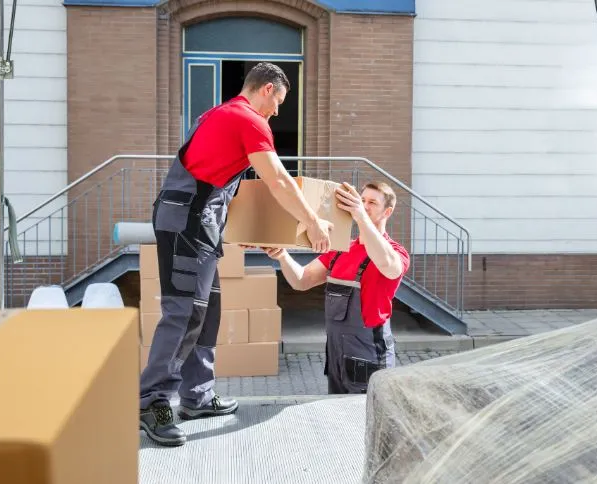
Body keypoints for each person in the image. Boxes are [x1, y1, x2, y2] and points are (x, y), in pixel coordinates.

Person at [139, 62, 333, 447]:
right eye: (278, 100)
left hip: (201, 221)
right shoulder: (247, 119)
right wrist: (312, 220)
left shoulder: (219, 115)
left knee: (206, 310)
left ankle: (197, 396)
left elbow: (225, 183)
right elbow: (276, 178)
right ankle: (151, 400)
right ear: (265, 89)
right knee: (184, 311)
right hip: (188, 222)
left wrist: (244, 230)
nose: (278, 111)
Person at [263, 181, 410, 394]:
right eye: (362, 200)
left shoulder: (396, 252)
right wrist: (282, 257)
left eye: (372, 203)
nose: (364, 205)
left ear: (387, 211)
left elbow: (389, 267)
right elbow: (302, 280)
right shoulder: (341, 248)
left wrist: (360, 216)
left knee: (366, 415)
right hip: (337, 353)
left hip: (369, 353)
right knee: (339, 414)